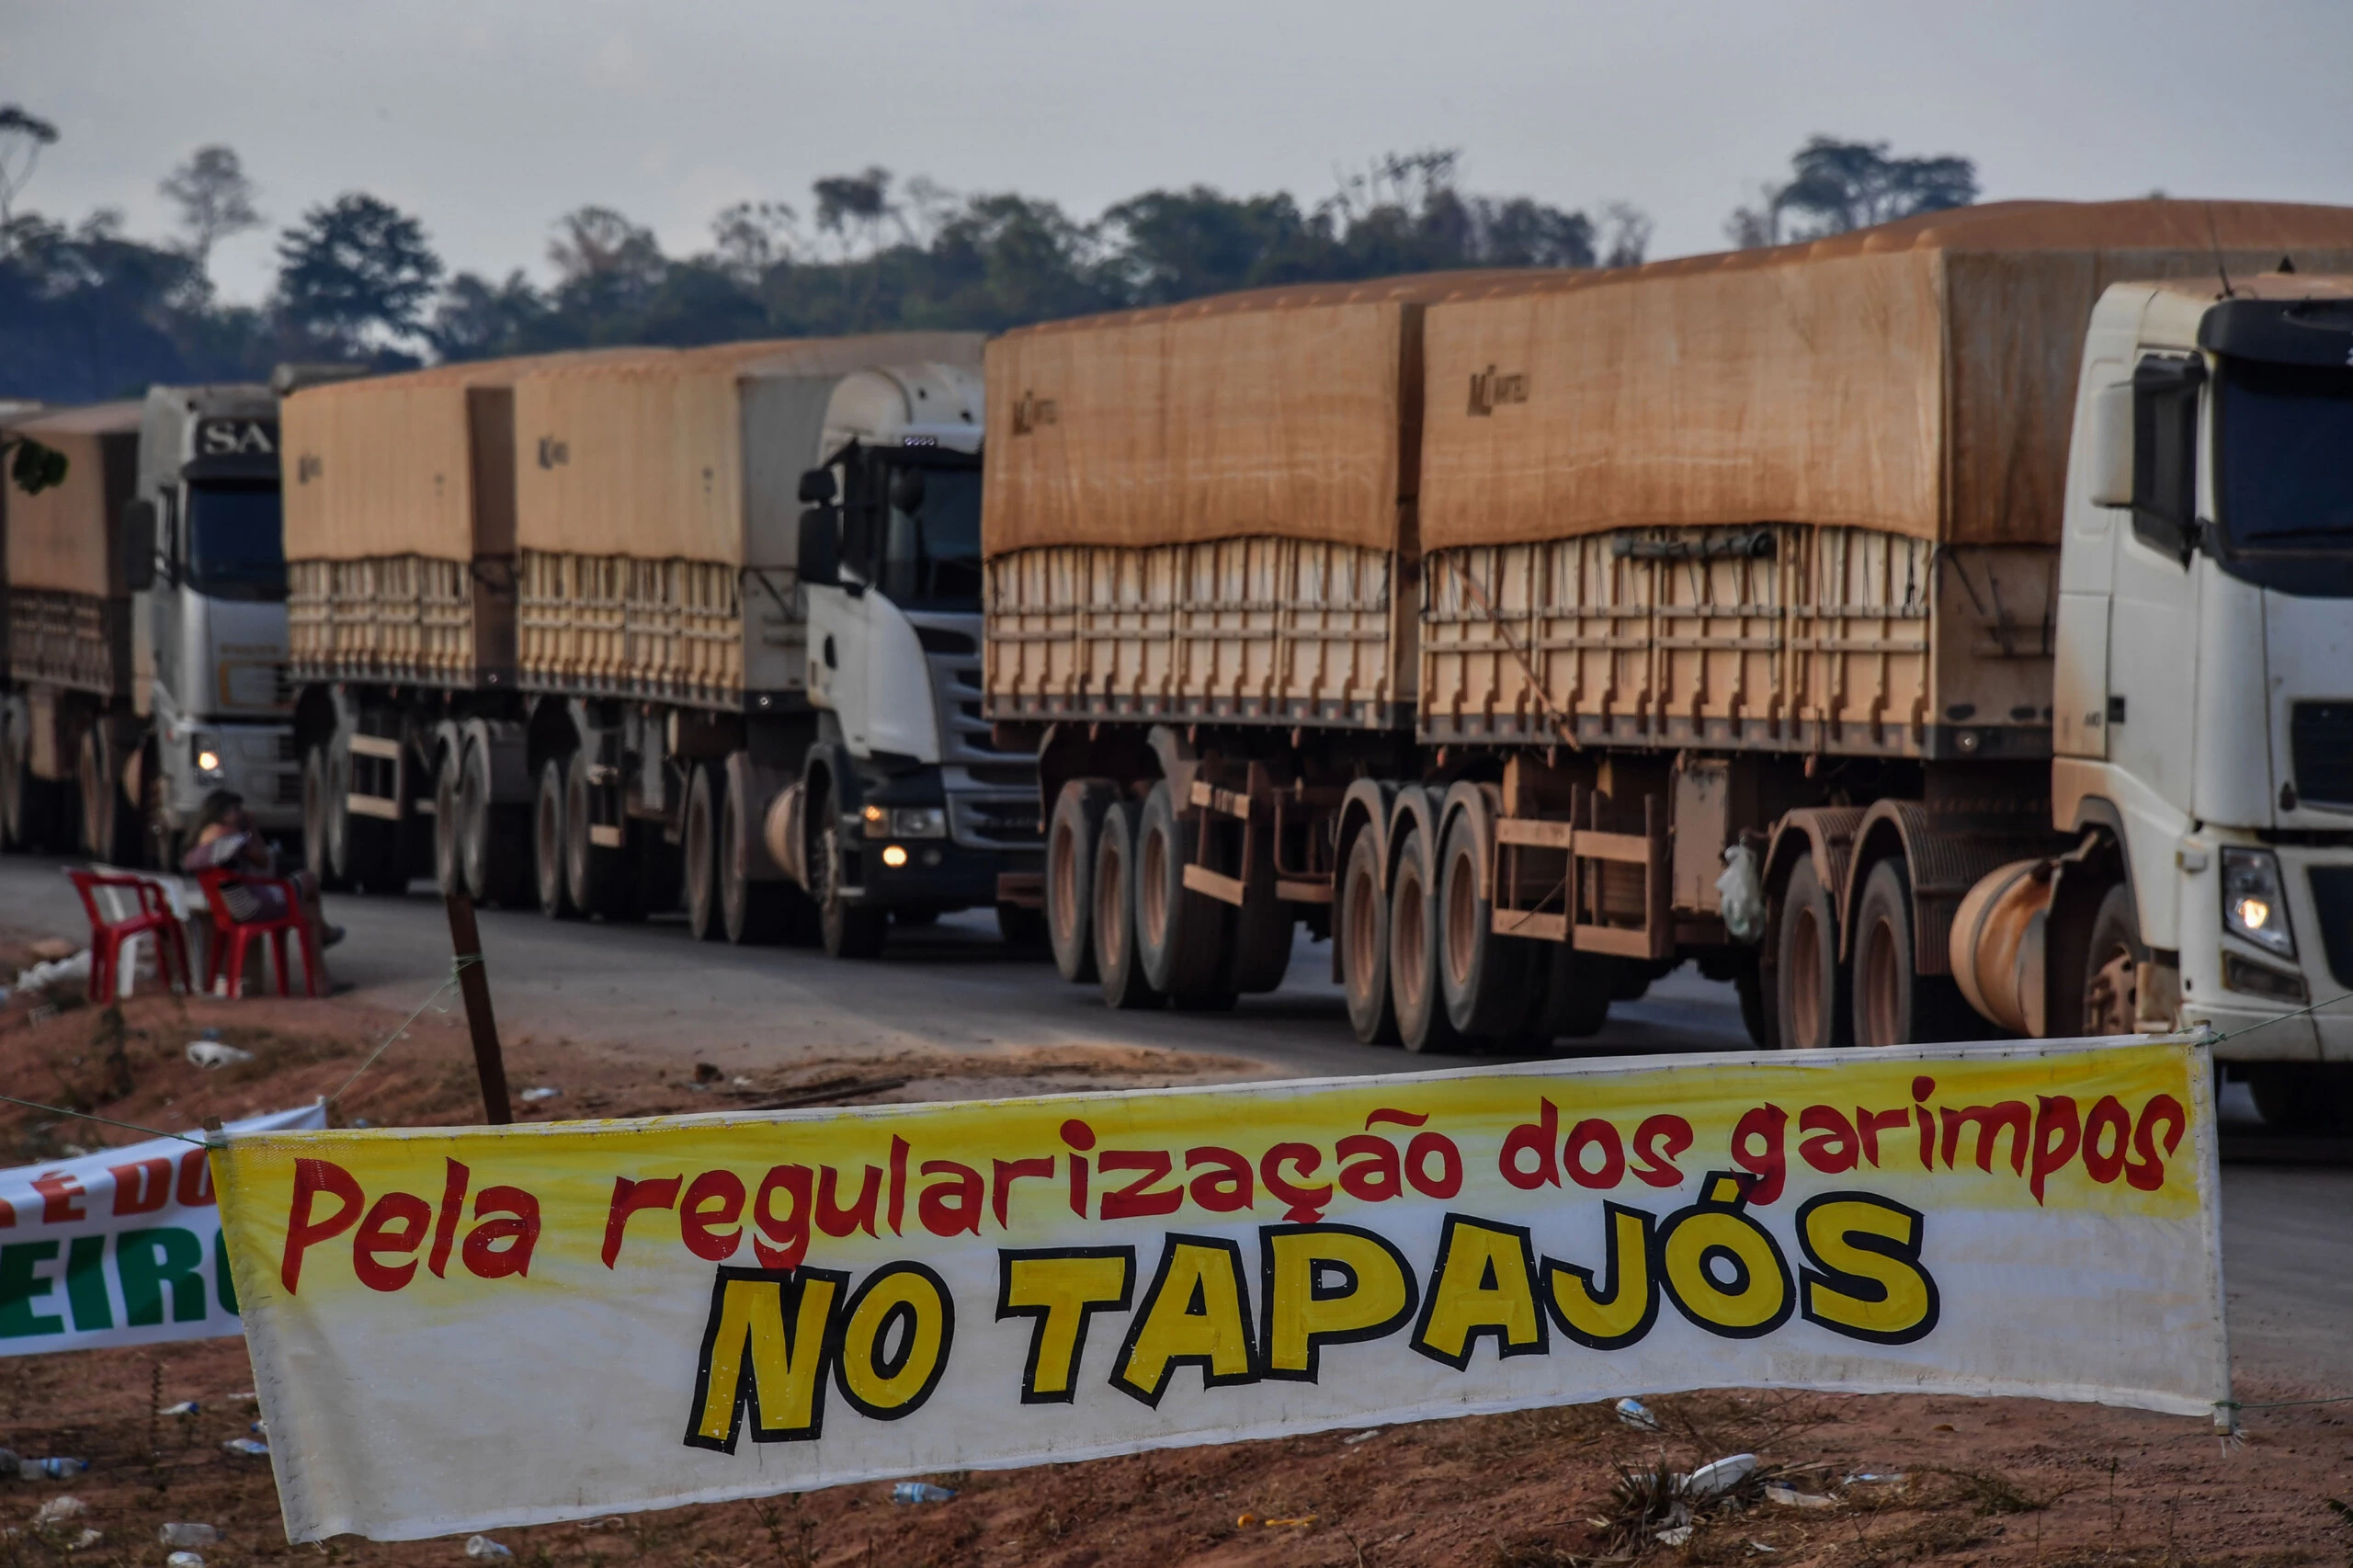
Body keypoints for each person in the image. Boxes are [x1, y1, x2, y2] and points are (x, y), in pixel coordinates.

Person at [181, 790, 343, 983]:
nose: (240, 813)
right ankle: (321, 972)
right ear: (223, 813)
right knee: (309, 880)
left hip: (226, 909)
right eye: (236, 809)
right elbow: (264, 861)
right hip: (248, 907)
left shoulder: (202, 840)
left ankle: (321, 973)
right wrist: (252, 829)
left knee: (308, 911)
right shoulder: (229, 839)